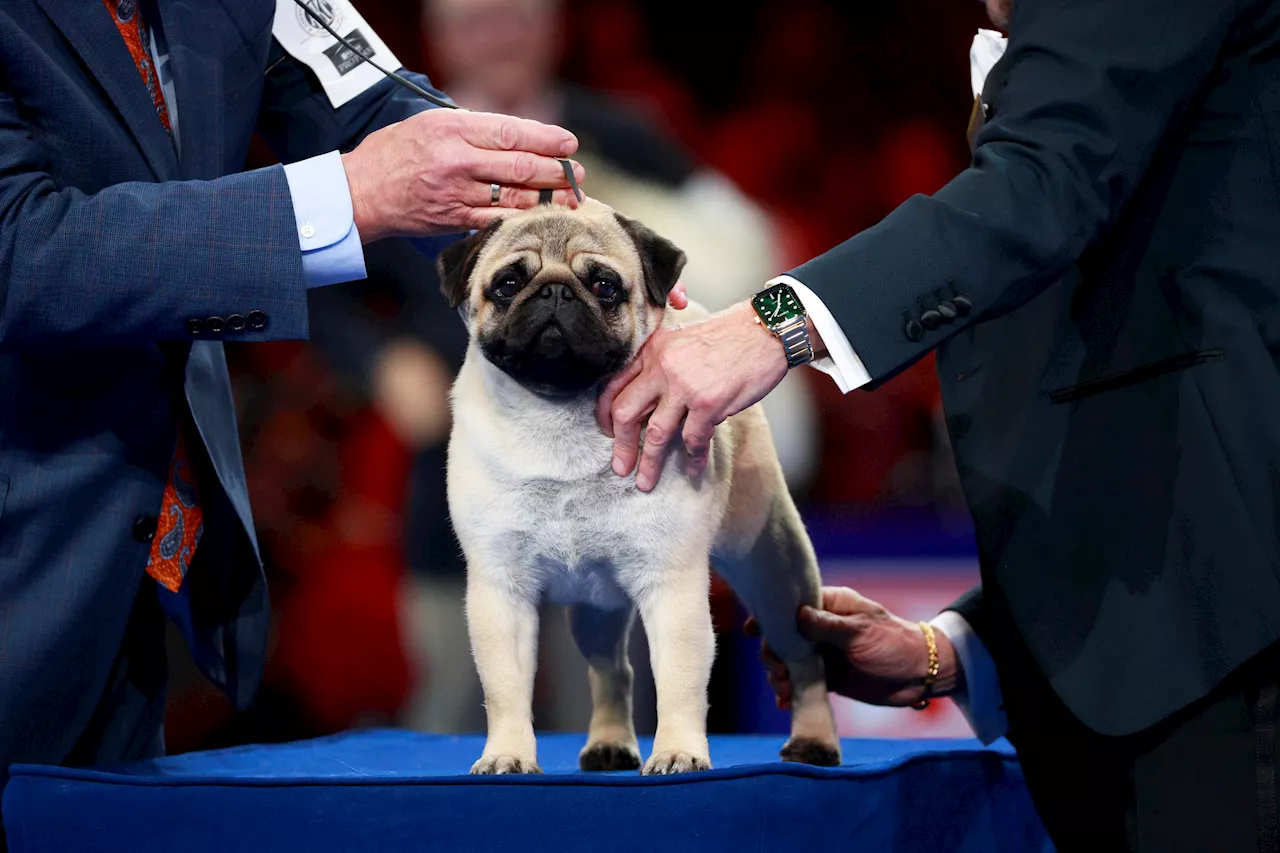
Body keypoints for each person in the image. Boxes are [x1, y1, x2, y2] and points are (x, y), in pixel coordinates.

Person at [600, 0, 1280, 849]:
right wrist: (959, 648)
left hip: (1230, 661)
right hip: (1161, 652)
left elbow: (1041, 187)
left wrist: (771, 322)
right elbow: (1142, 361)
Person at [0, 0, 584, 821]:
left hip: (132, 551)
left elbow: (366, 96)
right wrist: (353, 194)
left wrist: (579, 263)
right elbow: (21, 254)